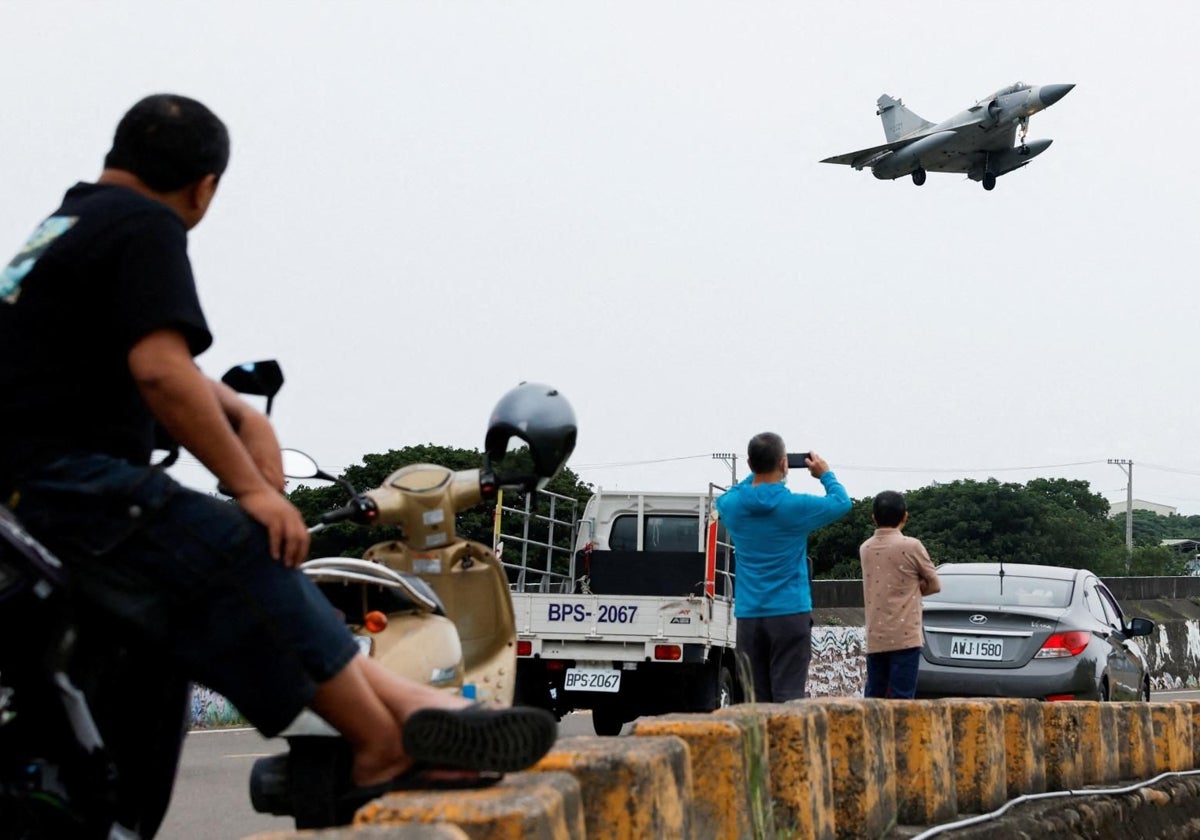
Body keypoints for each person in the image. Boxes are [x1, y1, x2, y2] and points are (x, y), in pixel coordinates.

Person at [0, 94, 555, 804]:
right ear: (205, 187)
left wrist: (237, 413)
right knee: (247, 543)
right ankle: (382, 747)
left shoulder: (68, 223)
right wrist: (256, 491)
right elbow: (161, 370)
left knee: (223, 580)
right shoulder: (145, 225)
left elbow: (147, 369)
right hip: (65, 483)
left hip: (32, 489)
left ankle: (406, 706)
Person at [714, 432, 851, 702]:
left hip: (750, 616)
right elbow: (841, 503)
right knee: (788, 697)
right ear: (784, 463)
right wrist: (825, 474)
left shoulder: (733, 506)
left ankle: (760, 746)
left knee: (756, 700)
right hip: (790, 613)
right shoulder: (796, 506)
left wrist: (756, 474)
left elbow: (729, 495)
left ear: (751, 465)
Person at [859, 490, 941, 699]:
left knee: (875, 695)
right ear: (905, 516)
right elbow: (935, 584)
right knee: (902, 697)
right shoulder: (912, 546)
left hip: (876, 634)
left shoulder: (865, 548)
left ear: (874, 518)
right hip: (906, 636)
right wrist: (913, 589)